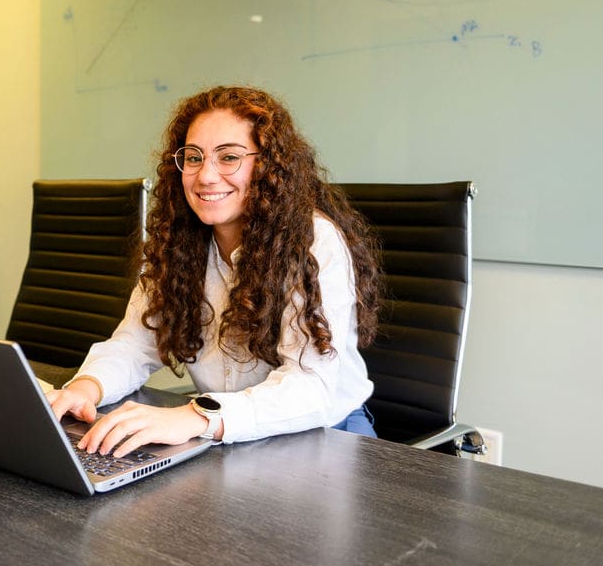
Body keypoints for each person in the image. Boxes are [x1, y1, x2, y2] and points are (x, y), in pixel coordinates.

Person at [47, 85, 383, 458]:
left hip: (325, 436)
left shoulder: (312, 243)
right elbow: (134, 345)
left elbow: (310, 387)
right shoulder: (177, 242)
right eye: (193, 157)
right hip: (222, 434)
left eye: (229, 157)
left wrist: (195, 416)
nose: (205, 176)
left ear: (267, 166)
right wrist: (86, 387)